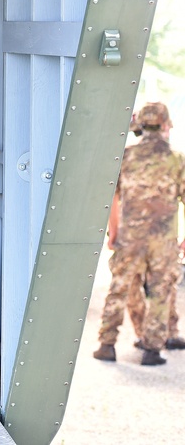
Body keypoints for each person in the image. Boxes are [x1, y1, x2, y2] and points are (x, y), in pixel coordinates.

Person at [93, 101, 185, 365]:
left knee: (119, 288)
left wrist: (114, 232)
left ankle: (106, 345)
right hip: (163, 241)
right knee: (160, 292)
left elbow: (112, 197)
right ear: (166, 125)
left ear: (141, 125)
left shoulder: (125, 156)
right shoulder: (177, 159)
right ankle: (151, 350)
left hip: (130, 238)